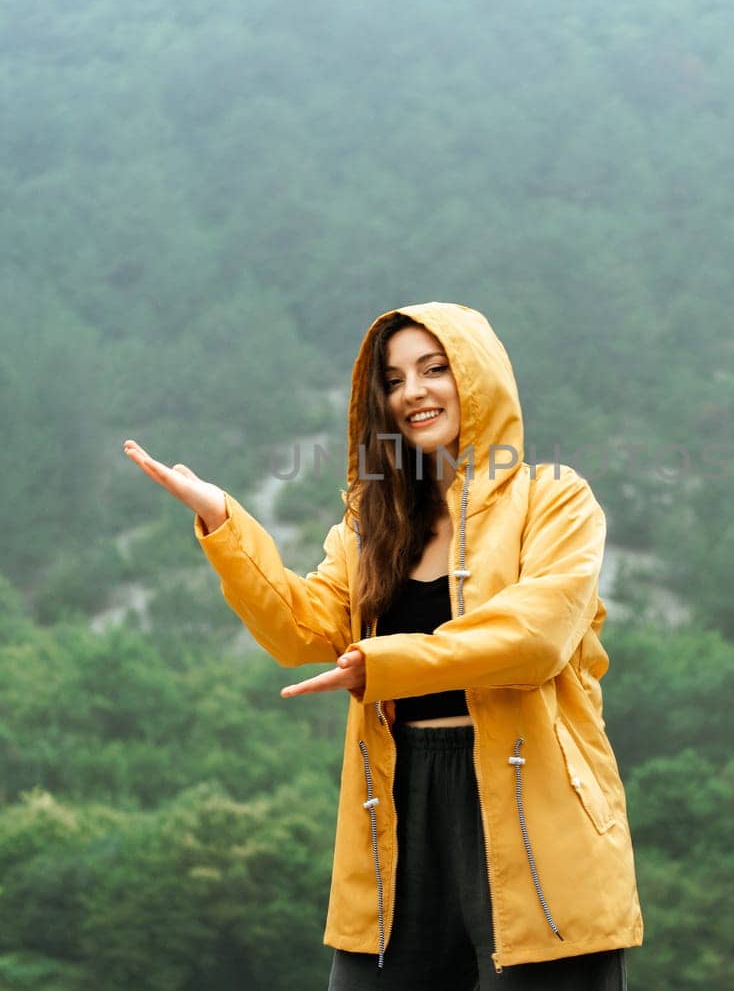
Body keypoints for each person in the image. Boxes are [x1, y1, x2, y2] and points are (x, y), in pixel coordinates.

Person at [123, 302, 642, 988]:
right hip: (398, 798)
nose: (413, 392)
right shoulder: (373, 525)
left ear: (478, 378)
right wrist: (222, 520)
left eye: (434, 369)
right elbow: (301, 627)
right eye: (393, 381)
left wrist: (384, 663)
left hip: (537, 814)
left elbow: (536, 635)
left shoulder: (555, 499)